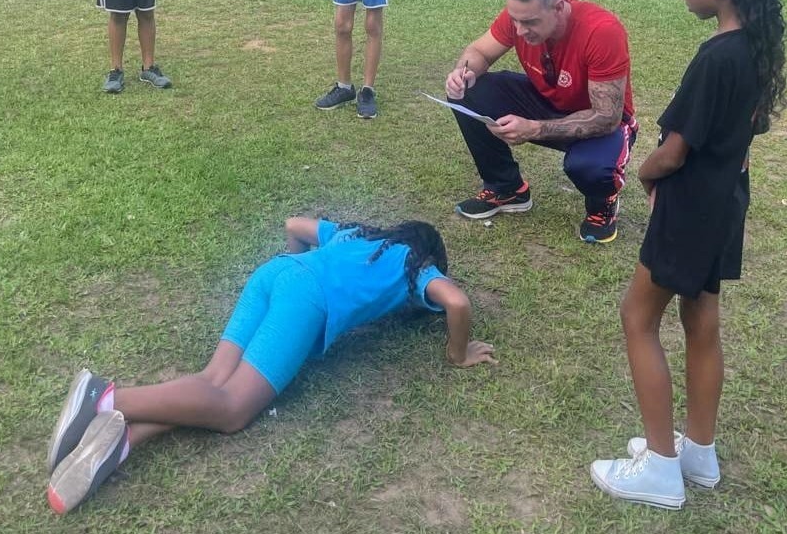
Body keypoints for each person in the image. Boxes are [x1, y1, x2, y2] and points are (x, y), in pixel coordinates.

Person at [44, 216, 496, 514]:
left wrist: (297, 272)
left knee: (213, 381)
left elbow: (294, 224)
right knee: (232, 410)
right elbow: (456, 302)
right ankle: (104, 397)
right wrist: (459, 354)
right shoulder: (417, 269)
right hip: (304, 298)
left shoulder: (355, 235)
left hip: (273, 273)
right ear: (429, 255)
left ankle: (123, 435)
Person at [590, 0, 786, 510]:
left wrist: (640, 170)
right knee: (701, 324)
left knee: (637, 317)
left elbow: (673, 153)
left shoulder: (716, 57)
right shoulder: (756, 44)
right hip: (725, 204)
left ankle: (660, 468)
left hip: (691, 208)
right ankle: (699, 452)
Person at [444, 0, 636, 243]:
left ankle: (602, 205)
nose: (520, 30)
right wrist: (464, 72)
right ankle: (506, 188)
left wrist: (533, 129)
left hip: (603, 123)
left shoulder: (601, 30)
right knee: (470, 92)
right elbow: (479, 52)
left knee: (589, 167)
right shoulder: (519, 18)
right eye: (515, 21)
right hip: (548, 99)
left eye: (530, 22)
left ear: (558, 7)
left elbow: (606, 117)